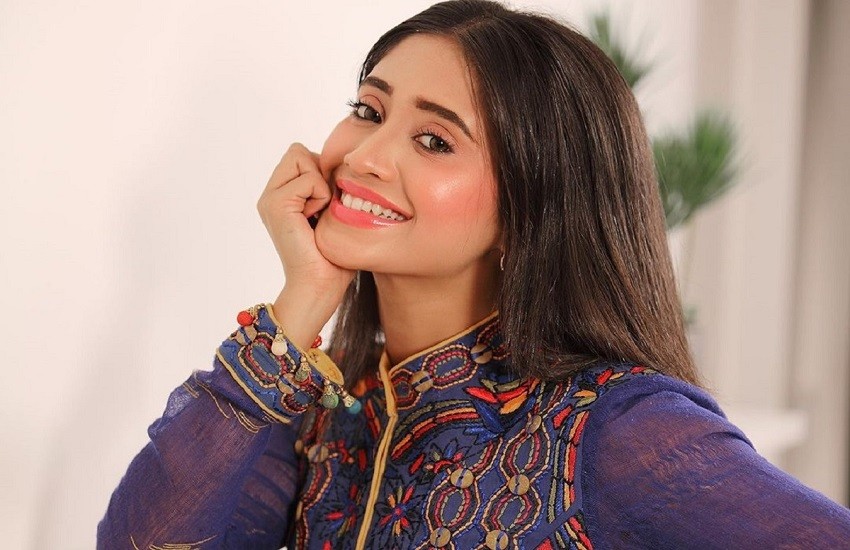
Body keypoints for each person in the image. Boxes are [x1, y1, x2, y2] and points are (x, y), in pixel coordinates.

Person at [98, 1, 850, 548]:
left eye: (433, 140)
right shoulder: (318, 412)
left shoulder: (611, 430)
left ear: (530, 210)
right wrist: (305, 299)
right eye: (368, 110)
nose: (364, 155)